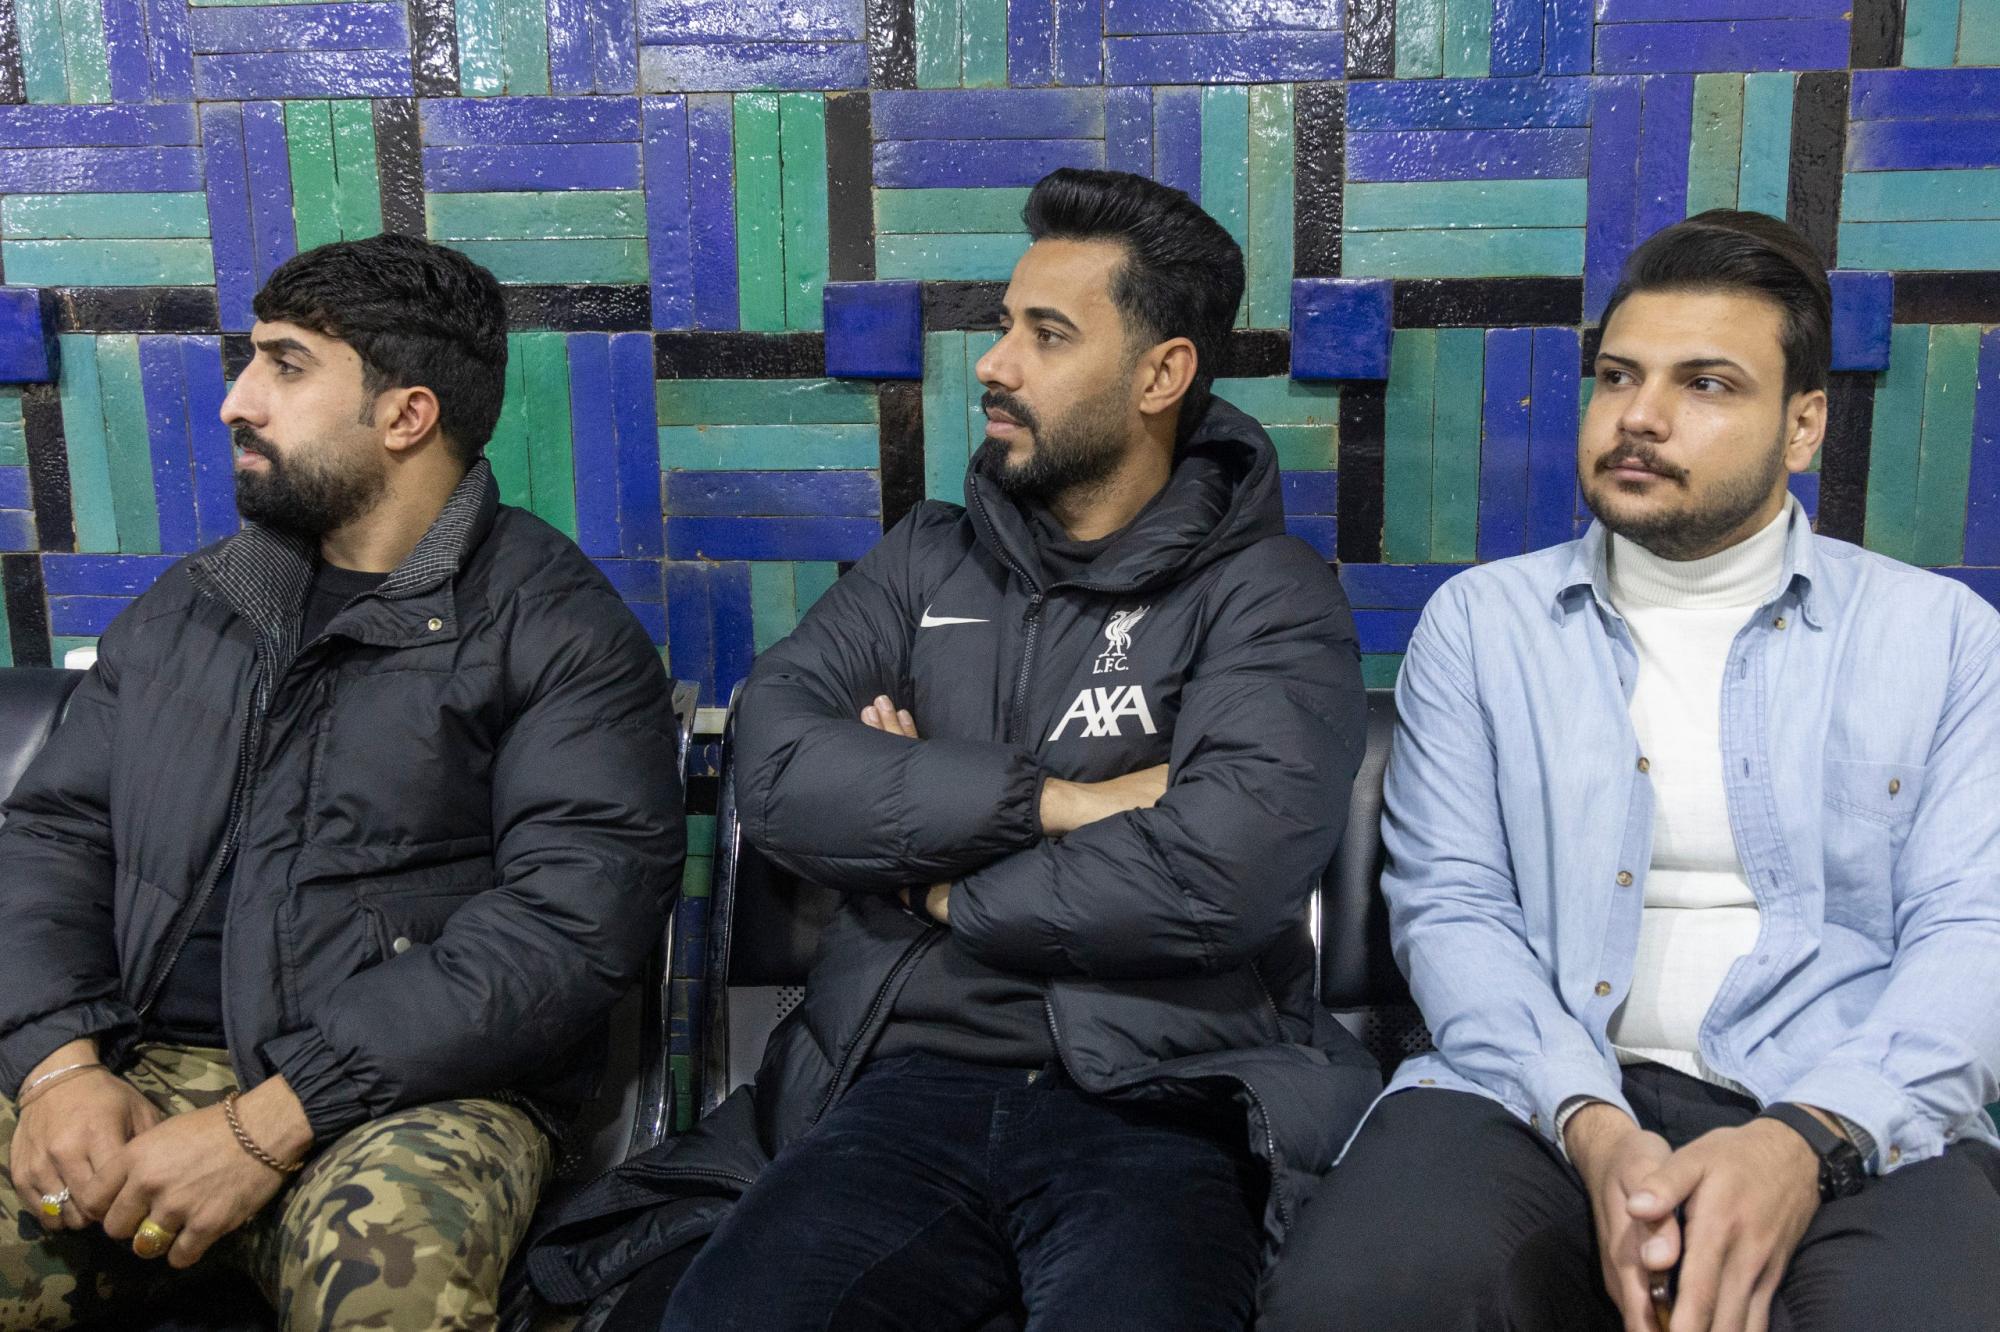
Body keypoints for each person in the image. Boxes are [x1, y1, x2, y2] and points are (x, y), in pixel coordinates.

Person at [527, 167, 1378, 1331]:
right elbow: (776, 768)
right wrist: (1054, 803)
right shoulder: (926, 560)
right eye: (1002, 326)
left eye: (1046, 335)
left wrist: (930, 881)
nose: (992, 363)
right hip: (899, 1081)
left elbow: (1215, 875)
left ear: (1160, 374)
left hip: (1161, 1093)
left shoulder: (1268, 596)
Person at [1259, 209, 2000, 1332]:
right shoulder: (1482, 626)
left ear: (1802, 426)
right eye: (1617, 376)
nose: (1639, 417)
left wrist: (1805, 1138)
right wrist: (1593, 1126)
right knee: (1357, 1302)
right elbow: (1452, 907)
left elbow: (1974, 931)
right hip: (1532, 1092)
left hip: (1849, 1098)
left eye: (1706, 385)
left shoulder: (1941, 639)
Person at [0, 233, 685, 1331]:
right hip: (129, 1069)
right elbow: (52, 838)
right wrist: (56, 1066)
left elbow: (567, 924)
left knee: (387, 1288)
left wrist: (271, 1119)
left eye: (285, 365)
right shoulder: (196, 606)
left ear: (406, 416)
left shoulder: (561, 634)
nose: (236, 401)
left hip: (411, 1099)